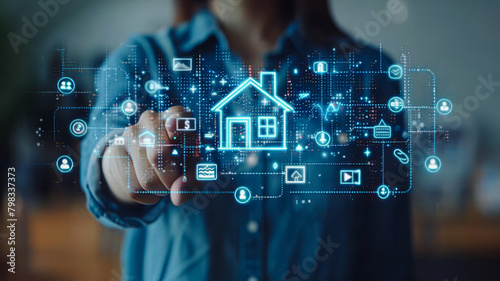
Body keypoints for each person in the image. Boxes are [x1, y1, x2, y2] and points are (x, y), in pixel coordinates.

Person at [80, 0, 412, 280]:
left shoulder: (369, 76)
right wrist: (126, 167)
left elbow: (387, 254)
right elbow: (108, 154)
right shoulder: (143, 61)